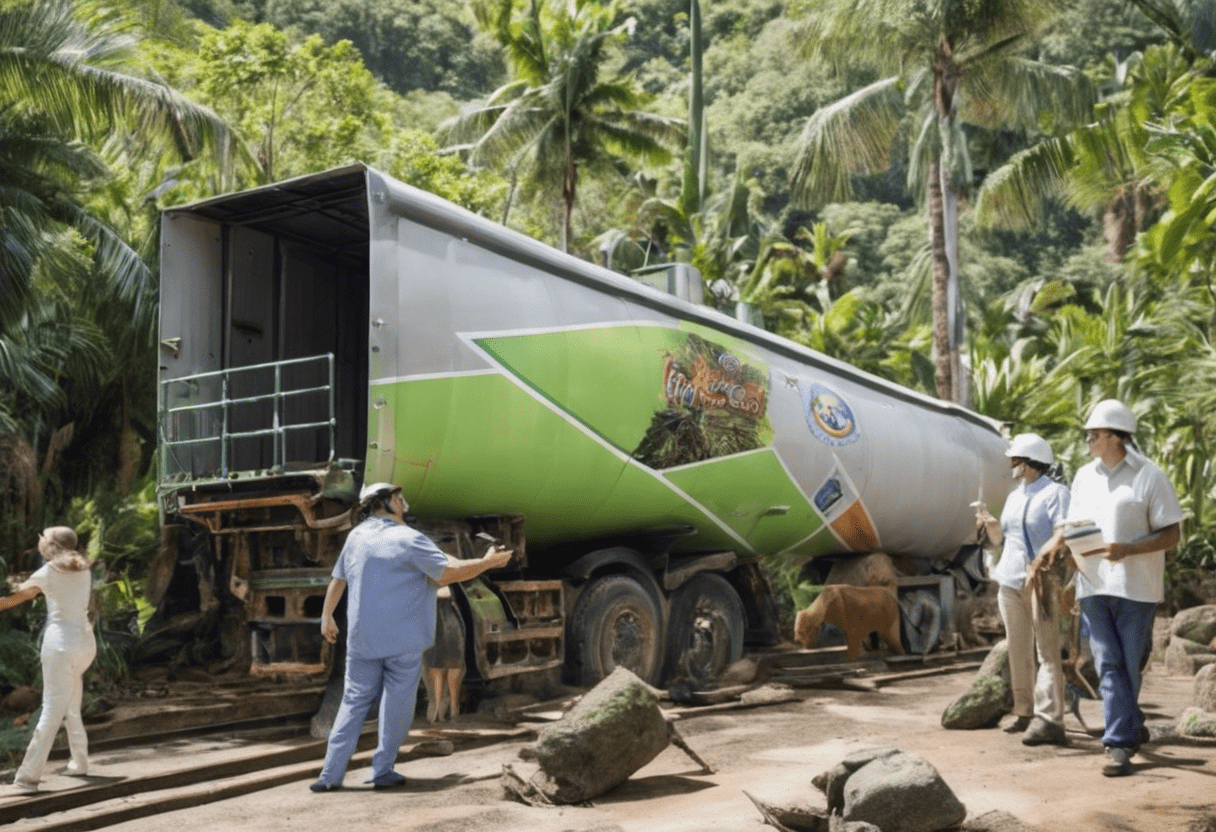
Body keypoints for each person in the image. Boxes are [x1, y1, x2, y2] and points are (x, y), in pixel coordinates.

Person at [311, 482, 512, 792]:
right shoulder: (409, 539)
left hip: (362, 639)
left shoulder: (356, 537)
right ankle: (382, 771)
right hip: (401, 642)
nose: (403, 503)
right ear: (387, 503)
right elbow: (448, 573)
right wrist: (488, 563)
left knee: (352, 703)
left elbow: (338, 579)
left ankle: (329, 776)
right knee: (396, 705)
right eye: (398, 498)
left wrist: (326, 616)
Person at [1037, 399, 1184, 777]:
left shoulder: (1150, 476)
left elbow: (1173, 534)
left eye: (1093, 435)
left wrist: (1129, 549)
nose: (1088, 441)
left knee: (1129, 664)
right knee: (1107, 663)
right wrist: (1063, 559)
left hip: (1137, 587)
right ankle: (1119, 743)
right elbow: (1073, 528)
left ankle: (1129, 725)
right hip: (1092, 583)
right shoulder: (1084, 477)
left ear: (1115, 437)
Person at [976, 433, 1070, 746]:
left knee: (1046, 651)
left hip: (1041, 580)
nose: (1011, 466)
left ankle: (1051, 719)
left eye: (1014, 460)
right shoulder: (1016, 495)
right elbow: (1003, 539)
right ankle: (1024, 712)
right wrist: (990, 524)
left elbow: (1063, 533)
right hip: (1010, 579)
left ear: (1029, 462)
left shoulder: (1056, 493)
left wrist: (1041, 565)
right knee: (1017, 648)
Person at [0, 526, 96, 792]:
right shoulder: (84, 568)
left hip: (60, 646)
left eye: (42, 538)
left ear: (49, 545)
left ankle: (28, 776)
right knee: (71, 706)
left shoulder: (48, 572)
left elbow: (13, 601)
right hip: (85, 645)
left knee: (51, 710)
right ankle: (79, 763)